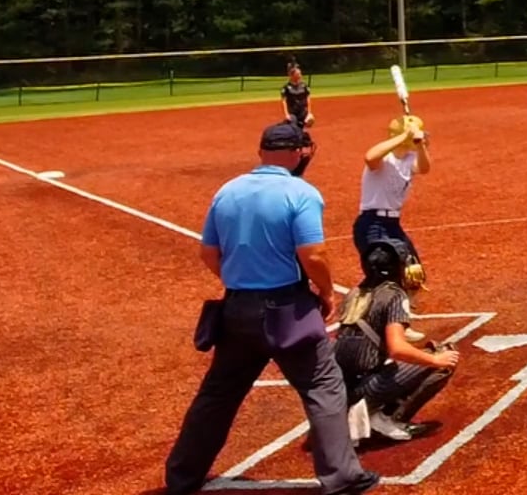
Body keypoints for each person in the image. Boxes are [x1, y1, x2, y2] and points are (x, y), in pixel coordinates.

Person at [164, 122, 380, 495]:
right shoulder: (301, 192)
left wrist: (240, 281)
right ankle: (342, 477)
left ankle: (182, 476)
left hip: (236, 309)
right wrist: (326, 291)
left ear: (261, 151)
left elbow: (209, 253)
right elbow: (313, 253)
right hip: (287, 309)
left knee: (218, 393)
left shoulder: (227, 191)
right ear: (297, 153)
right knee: (323, 385)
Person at [334, 239, 460, 442]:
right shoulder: (393, 295)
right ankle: (387, 417)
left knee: (395, 358)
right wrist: (436, 360)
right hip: (364, 388)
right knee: (444, 356)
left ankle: (360, 411)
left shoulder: (354, 293)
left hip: (337, 389)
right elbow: (398, 349)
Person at [354, 115, 431, 276]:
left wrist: (421, 146)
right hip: (372, 223)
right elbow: (370, 157)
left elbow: (424, 168)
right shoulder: (385, 158)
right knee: (383, 274)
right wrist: (406, 135)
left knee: (413, 273)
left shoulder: (410, 159)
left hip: (392, 224)